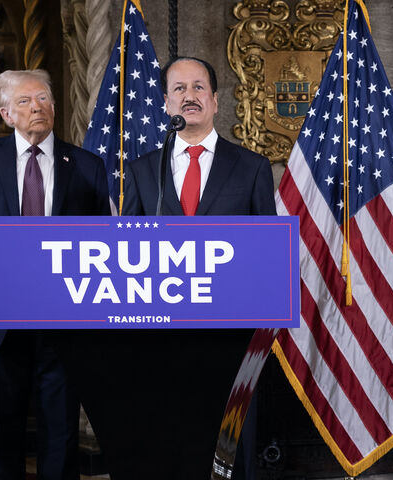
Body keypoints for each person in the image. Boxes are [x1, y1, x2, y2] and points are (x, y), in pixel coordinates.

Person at [116, 57, 277, 479]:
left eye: (199, 88)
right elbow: (125, 250)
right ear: (166, 102)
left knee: (231, 436)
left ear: (216, 101)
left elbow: (266, 251)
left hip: (231, 327)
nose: (190, 96)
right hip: (161, 326)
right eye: (180, 89)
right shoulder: (141, 170)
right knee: (168, 432)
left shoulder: (252, 167)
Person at [0, 69, 111, 480]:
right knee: (1, 428)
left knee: (61, 432)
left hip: (65, 321)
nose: (37, 107)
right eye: (24, 101)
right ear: (5, 113)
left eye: (43, 100)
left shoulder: (89, 165)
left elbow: (102, 243)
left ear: (55, 107)